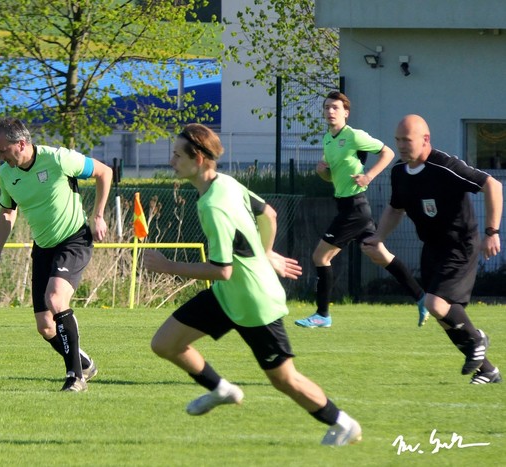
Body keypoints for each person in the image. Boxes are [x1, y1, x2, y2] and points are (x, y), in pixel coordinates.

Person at [143, 123, 362, 446]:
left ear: (199, 159)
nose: (171, 161)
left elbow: (222, 270)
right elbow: (269, 214)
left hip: (253, 302)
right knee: (165, 344)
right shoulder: (226, 183)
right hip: (228, 296)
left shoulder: (213, 205)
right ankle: (222, 390)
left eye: (177, 155)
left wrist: (168, 266)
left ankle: (343, 423)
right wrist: (266, 252)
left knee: (284, 379)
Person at [362, 114, 502, 384]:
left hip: (459, 245)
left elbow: (492, 185)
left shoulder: (445, 166)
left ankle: (477, 338)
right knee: (444, 316)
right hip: (431, 247)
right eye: (397, 140)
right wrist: (378, 237)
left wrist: (492, 232)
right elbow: (395, 208)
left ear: (425, 139)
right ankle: (487, 369)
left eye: (407, 140)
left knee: (435, 304)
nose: (401, 146)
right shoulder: (399, 172)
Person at [0, 117, 112, 392]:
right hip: (43, 247)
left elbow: (104, 172)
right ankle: (84, 363)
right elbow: (7, 212)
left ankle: (75, 377)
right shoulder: (6, 174)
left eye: (4, 151)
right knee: (45, 326)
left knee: (56, 299)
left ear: (21, 144)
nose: (1, 157)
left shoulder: (58, 159)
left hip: (74, 239)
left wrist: (98, 215)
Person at [295, 91, 428, 329]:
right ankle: (421, 298)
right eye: (327, 107)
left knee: (320, 257)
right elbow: (332, 178)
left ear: (346, 113)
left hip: (354, 209)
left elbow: (388, 152)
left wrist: (369, 176)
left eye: (335, 107)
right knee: (378, 254)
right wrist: (322, 172)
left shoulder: (354, 136)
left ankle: (322, 314)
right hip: (349, 207)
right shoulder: (328, 139)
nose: (330, 111)